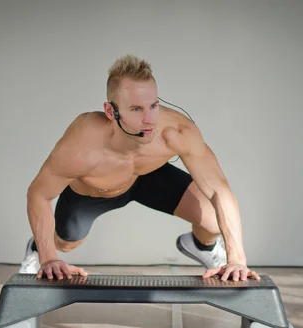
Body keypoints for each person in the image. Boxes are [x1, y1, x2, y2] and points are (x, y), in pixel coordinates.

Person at [25, 54, 260, 282]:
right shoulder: (81, 146)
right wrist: (48, 258)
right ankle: (38, 247)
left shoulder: (176, 132)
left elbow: (220, 191)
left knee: (212, 221)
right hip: (92, 192)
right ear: (111, 111)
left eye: (153, 106)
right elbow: (39, 193)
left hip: (148, 176)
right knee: (66, 244)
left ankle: (203, 247)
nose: (150, 120)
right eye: (136, 109)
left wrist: (237, 259)